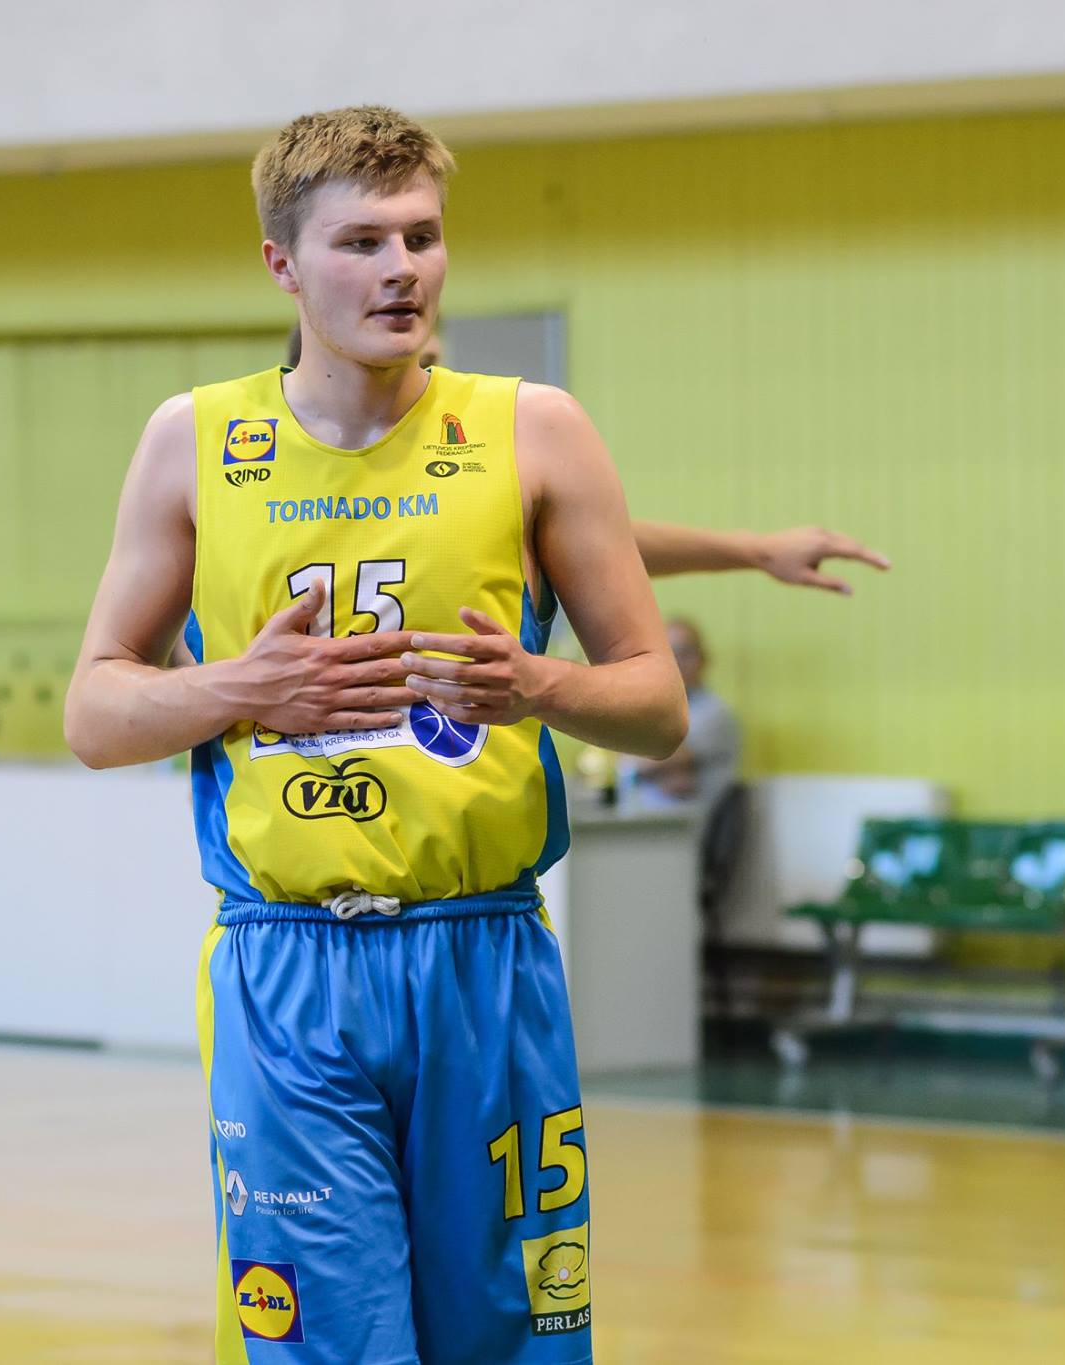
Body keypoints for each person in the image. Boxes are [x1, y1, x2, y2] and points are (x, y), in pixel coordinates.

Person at [65, 106, 687, 1362]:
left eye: (422, 236)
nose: (402, 268)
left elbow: (656, 704)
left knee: (508, 1340)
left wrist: (537, 686)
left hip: (480, 956)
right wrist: (241, 688)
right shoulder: (194, 440)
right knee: (328, 1345)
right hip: (285, 970)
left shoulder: (533, 428)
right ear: (281, 265)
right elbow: (94, 711)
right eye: (361, 242)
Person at [289, 321, 893, 595]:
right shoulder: (260, 473)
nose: (434, 378)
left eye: (435, 363)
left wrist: (755, 550)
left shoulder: (464, 456)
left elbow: (595, 544)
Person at [625, 617, 741, 809]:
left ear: (703, 659)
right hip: (652, 819)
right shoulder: (653, 709)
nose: (677, 663)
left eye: (684, 653)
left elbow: (659, 760)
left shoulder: (715, 713)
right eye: (669, 654)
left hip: (700, 820)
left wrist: (640, 765)